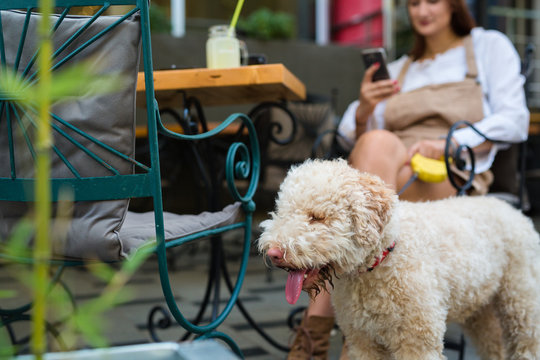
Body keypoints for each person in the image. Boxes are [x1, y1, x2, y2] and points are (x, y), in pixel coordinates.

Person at [288, 0, 529, 358]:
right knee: (376, 143)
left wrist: (451, 141)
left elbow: (515, 119)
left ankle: (319, 333)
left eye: (432, 0)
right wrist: (365, 110)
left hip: (449, 170)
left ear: (453, 5)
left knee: (374, 155)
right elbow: (347, 137)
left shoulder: (487, 46)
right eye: (414, 3)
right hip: (391, 169)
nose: (422, 10)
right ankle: (345, 332)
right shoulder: (401, 67)